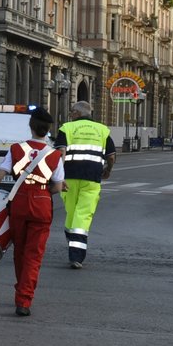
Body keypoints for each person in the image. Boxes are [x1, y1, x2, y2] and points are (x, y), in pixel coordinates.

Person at [0, 107, 65, 318]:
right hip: (41, 203)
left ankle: (20, 290)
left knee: (19, 250)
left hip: (18, 201)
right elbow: (57, 187)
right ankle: (24, 298)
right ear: (48, 130)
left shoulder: (16, 149)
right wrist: (43, 191)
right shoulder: (55, 154)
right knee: (34, 254)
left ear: (30, 126)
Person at [56, 100, 115, 269]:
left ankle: (73, 245)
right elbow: (111, 156)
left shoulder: (67, 128)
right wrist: (108, 170)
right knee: (83, 214)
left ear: (77, 113)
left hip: (69, 177)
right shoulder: (102, 130)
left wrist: (59, 176)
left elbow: (61, 152)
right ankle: (77, 255)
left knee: (72, 211)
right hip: (92, 178)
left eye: (72, 112)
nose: (70, 115)